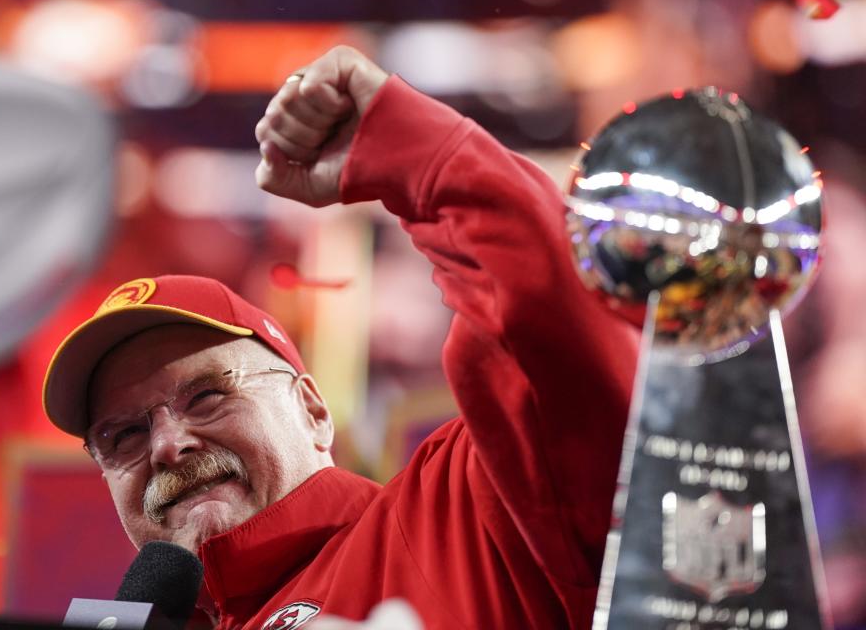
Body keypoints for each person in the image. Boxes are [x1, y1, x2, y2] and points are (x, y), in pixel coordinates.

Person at [42, 46, 639, 629]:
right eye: (123, 435)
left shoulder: (459, 517)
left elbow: (552, 325)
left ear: (312, 409)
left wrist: (418, 158)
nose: (169, 445)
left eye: (206, 397)